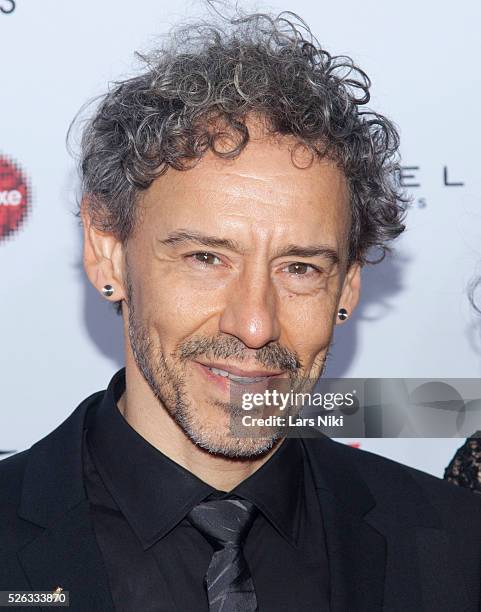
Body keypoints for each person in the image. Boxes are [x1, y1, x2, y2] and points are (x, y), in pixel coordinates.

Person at [1, 9, 481, 612]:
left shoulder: (460, 548)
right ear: (108, 254)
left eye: (300, 268)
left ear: (350, 284)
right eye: (206, 257)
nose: (254, 325)